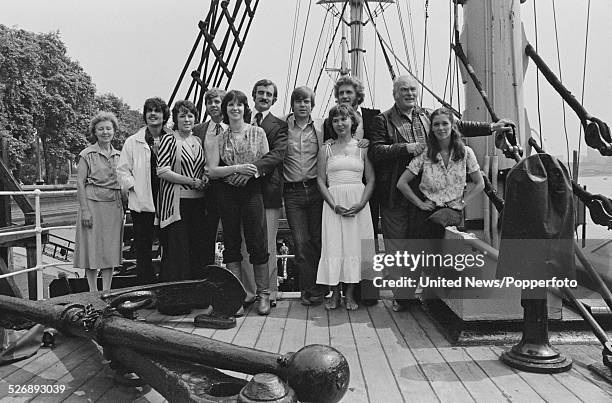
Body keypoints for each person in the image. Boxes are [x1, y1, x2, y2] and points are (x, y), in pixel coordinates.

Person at [369, 74, 512, 310]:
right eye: (404, 89)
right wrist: (406, 148)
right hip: (397, 193)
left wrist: (491, 127)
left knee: (419, 246)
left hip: (425, 196)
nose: (409, 94)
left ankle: (425, 293)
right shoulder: (382, 120)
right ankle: (403, 299)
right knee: (398, 247)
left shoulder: (427, 116)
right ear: (395, 93)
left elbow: (456, 125)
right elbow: (376, 151)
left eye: (413, 89)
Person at [206, 90, 271, 315]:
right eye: (231, 105)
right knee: (231, 243)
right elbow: (212, 169)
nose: (235, 109)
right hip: (227, 191)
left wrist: (248, 174)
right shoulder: (219, 138)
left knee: (257, 241)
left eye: (239, 105)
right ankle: (239, 296)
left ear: (245, 108)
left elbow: (264, 162)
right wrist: (236, 169)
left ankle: (263, 294)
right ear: (226, 109)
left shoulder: (258, 132)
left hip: (251, 190)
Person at [324, 76, 381, 306]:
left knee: (363, 243)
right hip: (337, 191)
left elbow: (377, 147)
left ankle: (364, 293)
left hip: (362, 192)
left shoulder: (372, 116)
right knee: (337, 244)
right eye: (341, 93)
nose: (345, 96)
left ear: (358, 95)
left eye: (349, 92)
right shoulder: (329, 132)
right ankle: (337, 292)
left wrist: (367, 142)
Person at [231, 79, 288, 308]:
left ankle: (269, 292)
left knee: (267, 244)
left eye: (269, 94)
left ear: (274, 99)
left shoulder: (279, 125)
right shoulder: (240, 120)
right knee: (245, 243)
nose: (264, 97)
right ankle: (248, 291)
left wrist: (251, 171)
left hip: (268, 191)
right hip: (241, 193)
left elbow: (277, 154)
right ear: (253, 95)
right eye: (261, 93)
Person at [317, 104, 375, 310]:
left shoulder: (362, 148)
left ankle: (350, 294)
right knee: (334, 246)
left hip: (358, 203)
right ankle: (334, 293)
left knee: (353, 247)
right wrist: (333, 205)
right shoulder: (326, 148)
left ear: (352, 121)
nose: (340, 124)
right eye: (335, 120)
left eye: (344, 119)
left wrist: (361, 204)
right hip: (334, 203)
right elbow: (320, 180)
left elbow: (370, 179)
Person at [396, 108, 484, 238]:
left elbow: (480, 183)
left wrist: (463, 202)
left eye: (445, 123)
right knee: (425, 231)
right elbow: (401, 183)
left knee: (435, 224)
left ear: (452, 126)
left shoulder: (466, 153)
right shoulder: (426, 153)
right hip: (428, 209)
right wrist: (420, 204)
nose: (440, 128)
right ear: (431, 128)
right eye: (436, 124)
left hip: (452, 211)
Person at [117, 97, 172, 284]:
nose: (153, 114)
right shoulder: (133, 142)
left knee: (169, 246)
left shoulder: (173, 138)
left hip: (167, 201)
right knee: (143, 247)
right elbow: (122, 170)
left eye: (157, 110)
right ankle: (146, 288)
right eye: (149, 110)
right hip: (142, 202)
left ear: (164, 115)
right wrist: (134, 187)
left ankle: (166, 284)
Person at [282, 86, 328, 306]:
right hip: (293, 193)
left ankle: (320, 288)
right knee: (301, 243)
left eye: (307, 101)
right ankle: (307, 289)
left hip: (316, 189)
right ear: (292, 103)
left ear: (312, 104)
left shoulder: (320, 127)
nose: (303, 105)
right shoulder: (283, 126)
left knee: (319, 240)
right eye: (298, 101)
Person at [156, 100, 207, 283]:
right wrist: (191, 181)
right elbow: (162, 171)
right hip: (178, 203)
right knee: (178, 250)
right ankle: (176, 300)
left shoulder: (198, 140)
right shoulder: (169, 139)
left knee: (196, 247)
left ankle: (196, 293)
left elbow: (202, 167)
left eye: (191, 115)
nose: (187, 119)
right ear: (175, 119)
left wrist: (204, 177)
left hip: (198, 202)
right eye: (182, 116)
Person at [74, 111, 123, 291]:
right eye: (101, 129)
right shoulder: (86, 154)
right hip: (92, 204)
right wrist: (85, 210)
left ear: (114, 131)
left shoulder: (119, 155)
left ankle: (107, 291)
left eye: (108, 128)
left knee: (109, 249)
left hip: (113, 205)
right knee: (92, 247)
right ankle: (93, 292)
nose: (105, 132)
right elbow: (80, 183)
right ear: (94, 131)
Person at [193, 88, 227, 269]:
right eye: (209, 102)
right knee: (205, 235)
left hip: (231, 187)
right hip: (207, 189)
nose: (213, 105)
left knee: (232, 236)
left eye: (217, 101)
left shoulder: (237, 126)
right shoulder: (198, 130)